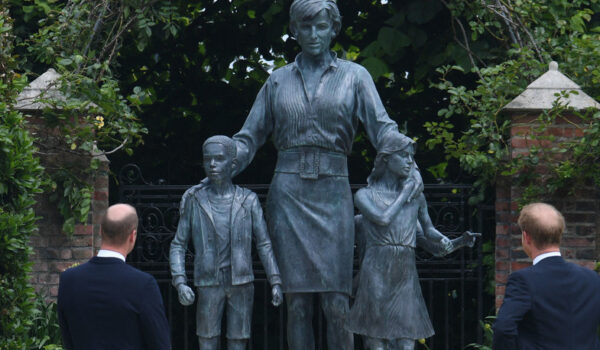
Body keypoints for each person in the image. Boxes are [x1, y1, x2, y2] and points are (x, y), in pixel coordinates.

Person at [227, 1, 423, 348]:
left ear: (334, 29)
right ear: (294, 30)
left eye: (321, 26)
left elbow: (383, 130)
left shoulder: (355, 77)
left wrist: (408, 157)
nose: (313, 34)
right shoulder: (277, 80)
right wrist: (226, 161)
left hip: (333, 194)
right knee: (297, 304)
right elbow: (249, 138)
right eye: (306, 27)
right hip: (288, 194)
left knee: (337, 302)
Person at [345, 132, 478, 350]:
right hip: (376, 272)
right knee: (377, 343)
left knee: (407, 344)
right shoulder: (364, 195)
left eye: (411, 157)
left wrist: (456, 242)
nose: (410, 162)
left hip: (404, 276)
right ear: (386, 159)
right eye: (404, 156)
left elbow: (430, 234)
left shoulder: (416, 199)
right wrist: (406, 192)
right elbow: (382, 219)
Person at [170, 135, 283, 350]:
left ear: (232, 164)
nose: (212, 164)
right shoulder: (195, 200)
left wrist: (275, 280)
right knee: (207, 338)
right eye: (207, 159)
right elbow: (178, 244)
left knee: (238, 339)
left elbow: (264, 243)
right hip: (208, 281)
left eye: (219, 158)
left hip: (241, 281)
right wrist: (180, 281)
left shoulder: (248, 200)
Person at [57, 203, 170, 350]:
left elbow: (68, 339)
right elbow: (160, 344)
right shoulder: (143, 285)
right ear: (132, 236)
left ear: (101, 231)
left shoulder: (69, 280)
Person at [493, 202, 600, 350]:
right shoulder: (592, 279)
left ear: (526, 237)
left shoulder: (523, 280)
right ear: (559, 234)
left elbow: (503, 329)